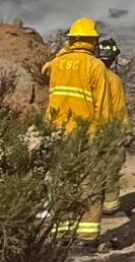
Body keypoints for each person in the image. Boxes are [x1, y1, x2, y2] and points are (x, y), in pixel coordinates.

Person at [42, 18, 115, 246]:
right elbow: (103, 106)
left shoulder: (57, 64)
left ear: (72, 40)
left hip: (57, 133)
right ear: (93, 41)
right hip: (86, 135)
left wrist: (66, 49)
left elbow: (45, 70)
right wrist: (107, 137)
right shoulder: (96, 67)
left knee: (63, 183)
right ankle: (87, 237)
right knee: (89, 186)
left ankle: (63, 234)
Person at [96, 36, 132, 217]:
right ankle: (110, 208)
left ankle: (90, 206)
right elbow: (119, 110)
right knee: (110, 170)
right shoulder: (113, 79)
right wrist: (126, 132)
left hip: (87, 131)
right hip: (109, 132)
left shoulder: (87, 77)